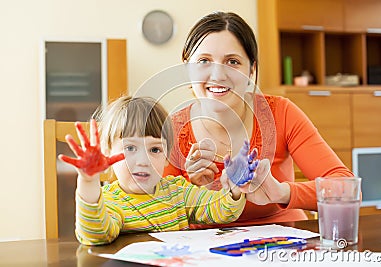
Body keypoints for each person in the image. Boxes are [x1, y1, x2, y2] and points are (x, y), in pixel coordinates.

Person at [163, 11, 354, 227]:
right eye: (204, 61)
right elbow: (152, 211)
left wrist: (281, 192)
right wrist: (196, 193)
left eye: (233, 62)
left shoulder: (281, 113)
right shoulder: (172, 129)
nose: (217, 75)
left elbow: (345, 186)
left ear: (251, 69)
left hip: (284, 242)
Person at [58, 96, 258, 245]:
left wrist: (234, 187)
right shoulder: (110, 201)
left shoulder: (178, 192)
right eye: (130, 148)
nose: (143, 160)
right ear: (108, 151)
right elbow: (95, 234)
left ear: (166, 156)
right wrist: (88, 180)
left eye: (154, 149)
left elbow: (220, 212)